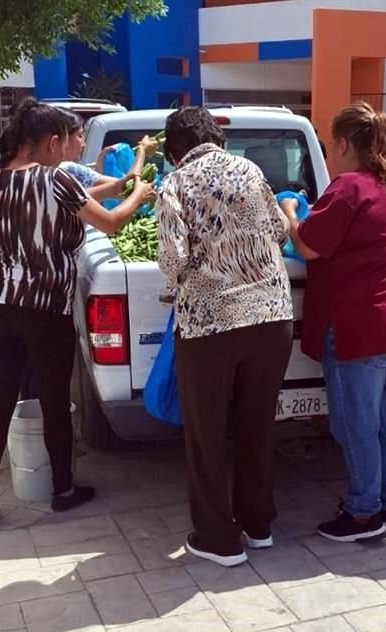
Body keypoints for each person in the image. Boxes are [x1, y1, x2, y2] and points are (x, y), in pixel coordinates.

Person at [0, 99, 153, 524]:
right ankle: (63, 490)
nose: (73, 148)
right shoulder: (54, 180)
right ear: (52, 142)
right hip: (42, 305)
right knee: (54, 399)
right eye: (68, 141)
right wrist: (139, 194)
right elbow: (109, 223)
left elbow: (81, 199)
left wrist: (123, 180)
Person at [156, 106, 294, 567]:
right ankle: (258, 525)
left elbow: (173, 258)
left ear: (175, 149)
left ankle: (218, 537)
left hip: (211, 324)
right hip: (272, 318)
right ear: (215, 137)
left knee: (207, 433)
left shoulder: (176, 183)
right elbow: (278, 228)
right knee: (257, 426)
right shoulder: (251, 170)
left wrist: (171, 288)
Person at [281, 103, 386, 543]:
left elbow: (308, 247)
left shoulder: (348, 189)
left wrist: (288, 213)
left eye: (329, 143)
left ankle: (363, 515)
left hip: (359, 328)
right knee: (384, 422)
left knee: (355, 426)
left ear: (342, 144)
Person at [56, 108, 158, 199]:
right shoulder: (67, 169)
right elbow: (127, 187)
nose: (84, 144)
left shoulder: (45, 172)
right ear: (64, 138)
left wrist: (101, 160)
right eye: (80, 135)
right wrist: (142, 151)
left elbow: (97, 190)